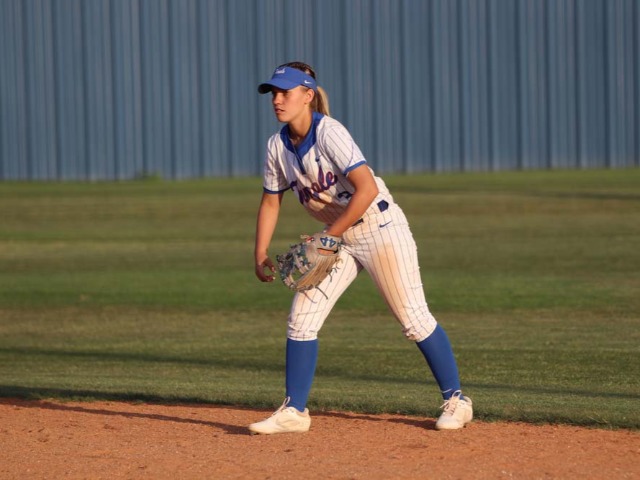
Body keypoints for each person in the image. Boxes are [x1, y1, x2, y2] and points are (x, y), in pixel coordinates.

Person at [249, 61, 472, 434]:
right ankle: (294, 411)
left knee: (413, 319)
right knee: (301, 320)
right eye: (273, 93)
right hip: (337, 236)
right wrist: (259, 252)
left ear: (307, 96)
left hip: (379, 227)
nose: (277, 99)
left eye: (285, 92)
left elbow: (366, 189)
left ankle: (457, 400)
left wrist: (330, 236)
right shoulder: (277, 145)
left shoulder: (329, 132)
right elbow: (271, 201)